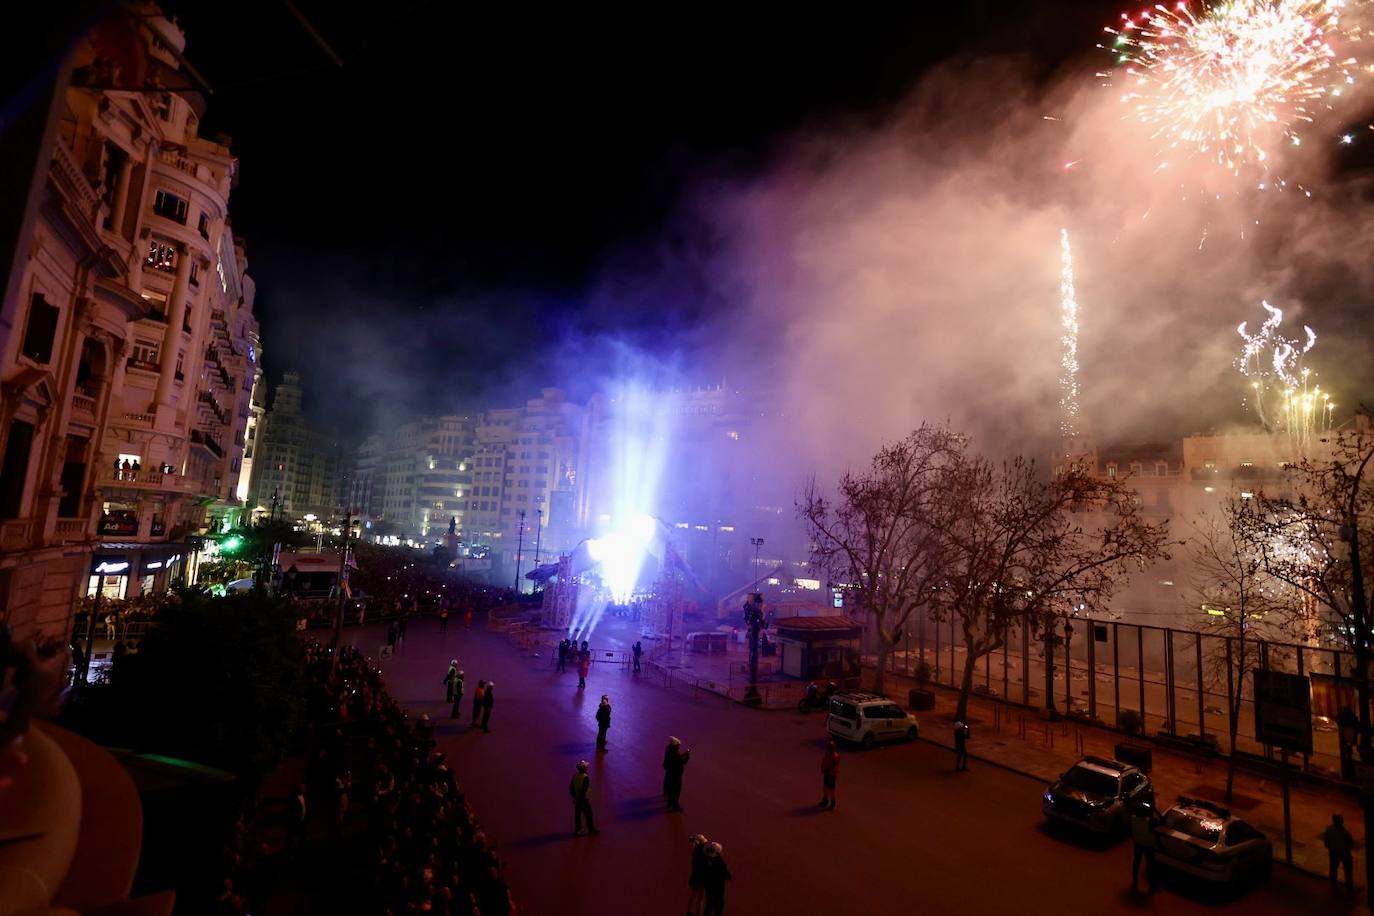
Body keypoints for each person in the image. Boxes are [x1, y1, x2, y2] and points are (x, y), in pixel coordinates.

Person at [1322, 812, 1355, 897]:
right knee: (1348, 872)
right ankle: (1349, 889)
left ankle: (1333, 886)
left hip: (1334, 853)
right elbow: (1351, 845)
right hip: (1345, 854)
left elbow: (1326, 843)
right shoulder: (1345, 833)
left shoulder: (1329, 829)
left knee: (1333, 869)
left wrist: (1331, 847)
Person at [1130, 801, 1159, 894]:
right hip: (1148, 845)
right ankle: (1152, 887)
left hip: (1138, 843)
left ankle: (1134, 883)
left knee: (1136, 864)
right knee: (1150, 866)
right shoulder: (1150, 821)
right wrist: (1154, 809)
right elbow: (1163, 821)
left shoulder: (1134, 819)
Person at [570, 759, 598, 836]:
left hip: (577, 800)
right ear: (585, 769)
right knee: (589, 814)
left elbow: (571, 788)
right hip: (584, 800)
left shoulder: (575, 776)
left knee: (577, 815)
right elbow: (584, 790)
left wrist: (575, 798)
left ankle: (578, 830)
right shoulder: (585, 777)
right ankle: (591, 829)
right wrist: (579, 798)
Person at [702, 842, 731, 916]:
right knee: (715, 907)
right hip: (717, 889)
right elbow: (727, 875)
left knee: (709, 906)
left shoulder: (707, 860)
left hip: (711, 888)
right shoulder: (720, 862)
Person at [664, 737, 690, 811]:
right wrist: (687, 756)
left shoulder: (668, 749)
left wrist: (684, 754)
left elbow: (678, 757)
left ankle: (669, 803)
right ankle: (675, 806)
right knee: (676, 790)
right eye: (678, 745)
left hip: (670, 772)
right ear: (675, 746)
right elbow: (683, 762)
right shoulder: (675, 755)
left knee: (671, 788)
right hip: (676, 775)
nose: (679, 746)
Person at [686, 834, 710, 916]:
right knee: (701, 898)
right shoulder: (702, 853)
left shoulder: (695, 851)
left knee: (693, 895)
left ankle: (689, 913)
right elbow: (706, 866)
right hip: (702, 878)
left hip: (694, 877)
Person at [285, 783, 308, 853]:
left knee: (302, 835)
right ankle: (289, 849)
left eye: (304, 788)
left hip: (302, 819)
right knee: (292, 835)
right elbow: (291, 810)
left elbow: (304, 806)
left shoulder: (304, 796)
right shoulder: (293, 798)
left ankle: (301, 848)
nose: (304, 789)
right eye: (302, 788)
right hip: (295, 820)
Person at [819, 740, 840, 810]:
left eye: (830, 748)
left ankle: (833, 803)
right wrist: (822, 767)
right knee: (825, 787)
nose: (828, 749)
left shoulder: (835, 757)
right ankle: (825, 800)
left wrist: (829, 772)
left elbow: (835, 767)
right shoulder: (827, 753)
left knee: (831, 790)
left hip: (831, 775)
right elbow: (824, 760)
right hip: (826, 773)